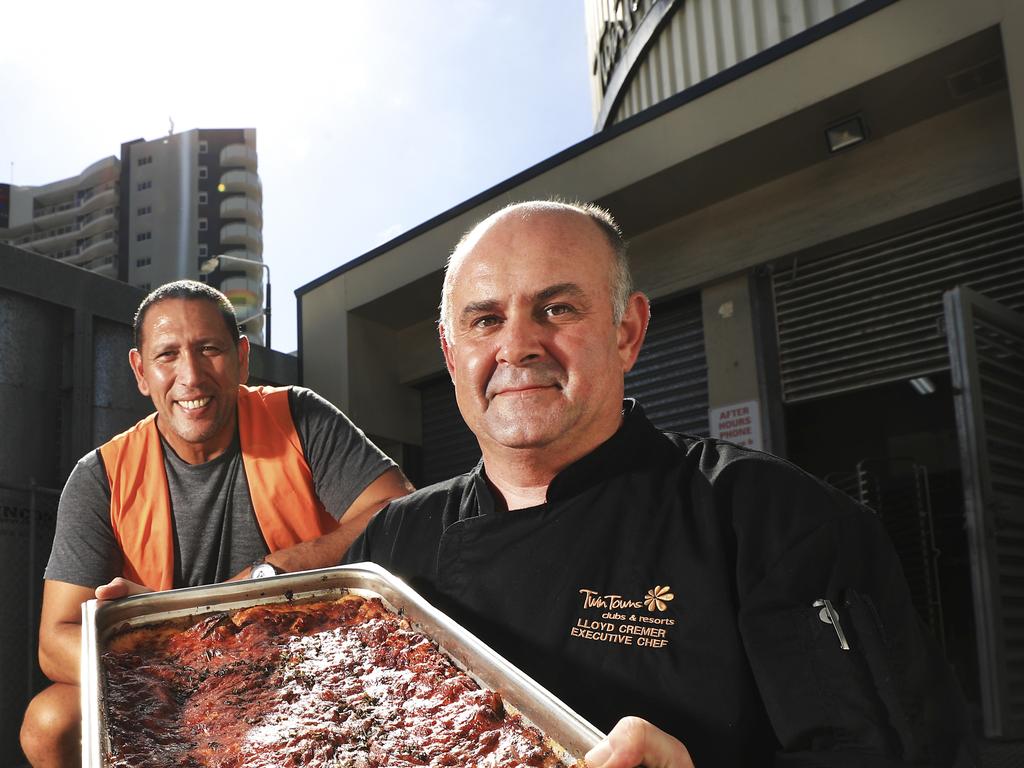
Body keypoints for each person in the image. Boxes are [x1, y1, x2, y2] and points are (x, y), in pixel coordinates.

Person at [344, 201, 975, 767]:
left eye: (556, 309)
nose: (518, 346)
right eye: (484, 320)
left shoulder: (770, 517)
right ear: (452, 354)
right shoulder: (392, 543)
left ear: (627, 333)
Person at [20, 280, 414, 768]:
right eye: (167, 355)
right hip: (168, 675)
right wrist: (190, 660)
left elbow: (398, 511)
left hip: (303, 651)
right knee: (49, 721)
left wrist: (270, 571)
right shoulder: (100, 476)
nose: (191, 375)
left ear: (242, 358)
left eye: (209, 349)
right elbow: (55, 643)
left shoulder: (298, 417)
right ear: (140, 371)